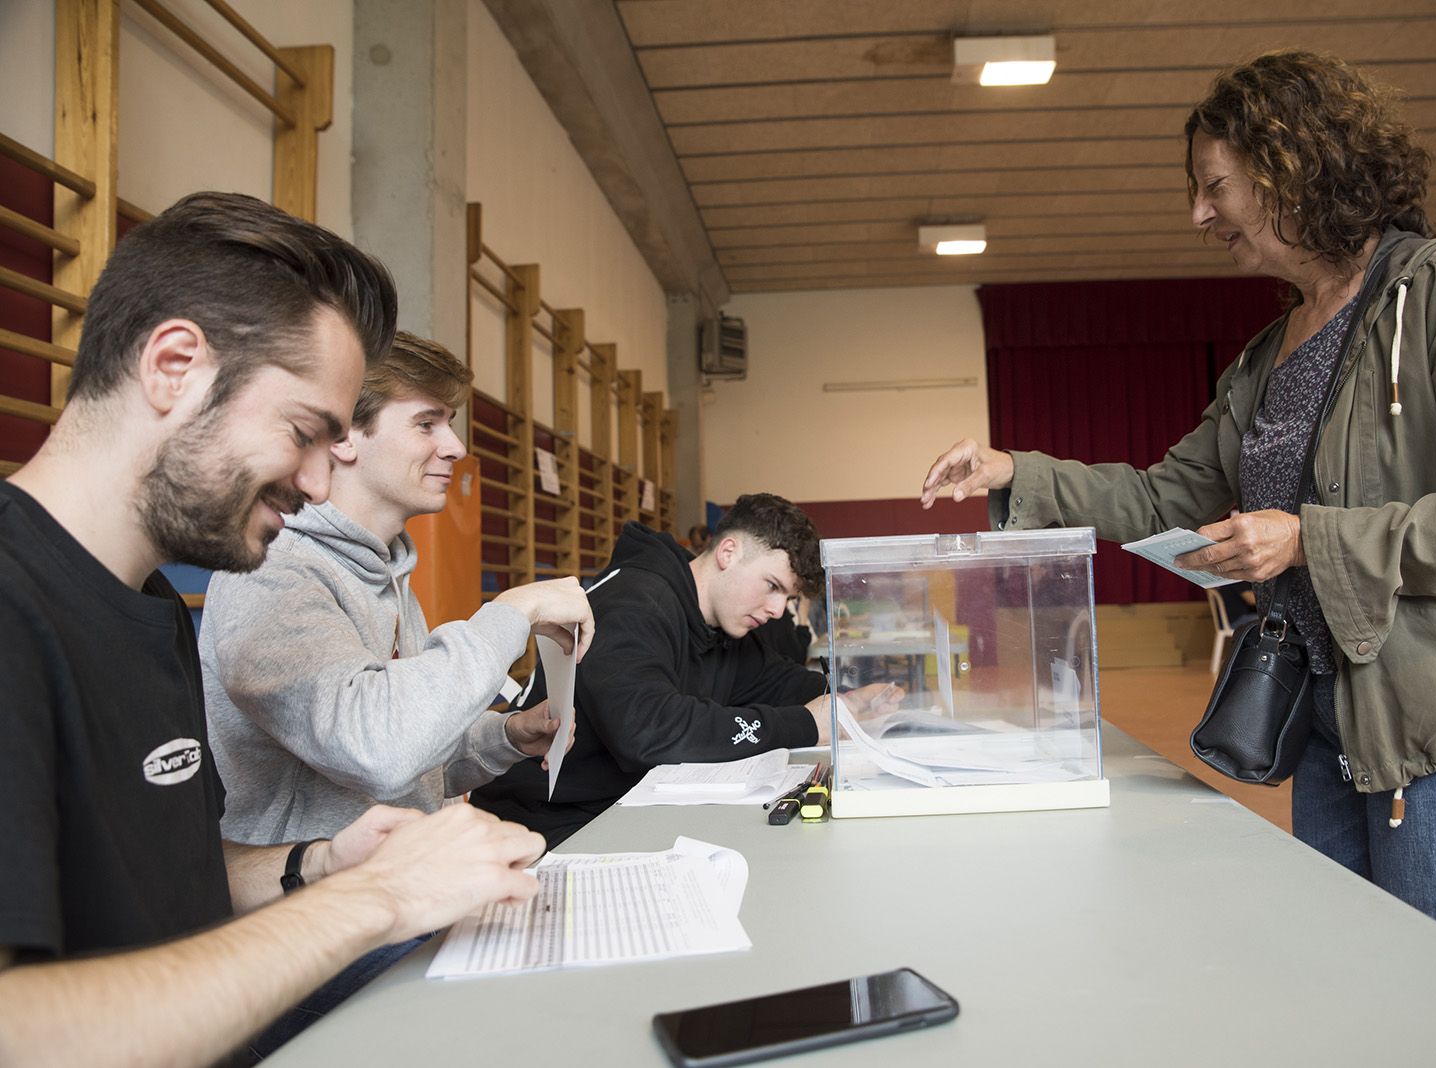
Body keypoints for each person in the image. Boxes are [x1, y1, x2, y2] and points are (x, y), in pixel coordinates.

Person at [919, 50, 1436, 999]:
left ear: (1293, 164)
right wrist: (1015, 470)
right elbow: (1167, 500)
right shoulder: (1267, 354)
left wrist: (1312, 541)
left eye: (1215, 187)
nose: (1199, 214)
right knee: (1367, 1015)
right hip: (1338, 735)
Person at [0, 192, 547, 1067]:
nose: (321, 486)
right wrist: (377, 900)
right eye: (304, 433)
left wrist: (324, 862)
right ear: (174, 366)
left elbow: (172, 882)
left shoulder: (151, 613)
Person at [200, 331, 594, 847]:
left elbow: (414, 757)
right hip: (315, 912)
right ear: (343, 436)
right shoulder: (271, 573)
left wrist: (505, 737)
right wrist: (512, 611)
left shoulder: (387, 572)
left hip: (402, 895)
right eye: (426, 424)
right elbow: (377, 750)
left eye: (448, 424)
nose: (456, 448)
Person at [473, 493, 894, 844]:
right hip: (543, 826)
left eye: (787, 597)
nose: (777, 609)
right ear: (729, 552)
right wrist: (806, 724)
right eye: (772, 587)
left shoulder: (721, 626)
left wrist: (845, 695)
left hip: (620, 813)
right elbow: (649, 730)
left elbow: (776, 681)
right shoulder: (633, 603)